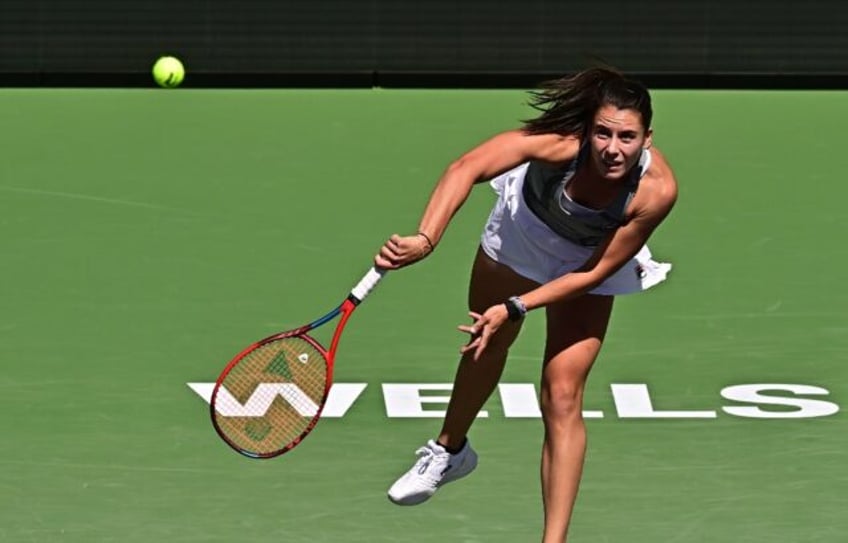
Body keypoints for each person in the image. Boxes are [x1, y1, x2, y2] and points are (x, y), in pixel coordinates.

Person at [375, 66, 678, 542]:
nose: (612, 148)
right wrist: (426, 239)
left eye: (626, 136)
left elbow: (593, 274)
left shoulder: (655, 191)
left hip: (588, 261)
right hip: (524, 232)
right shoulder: (560, 145)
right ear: (587, 131)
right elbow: (466, 167)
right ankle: (449, 451)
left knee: (562, 393)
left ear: (647, 138)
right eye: (602, 133)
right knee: (484, 343)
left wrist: (516, 305)